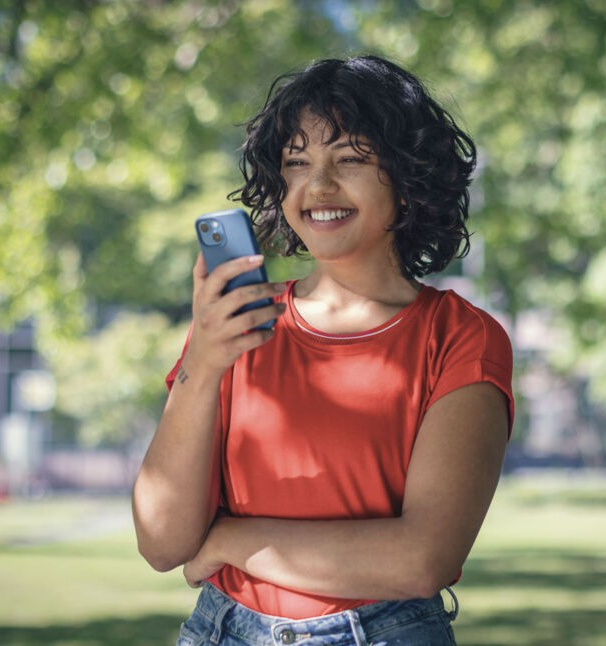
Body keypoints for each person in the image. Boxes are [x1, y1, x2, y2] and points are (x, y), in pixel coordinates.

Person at [132, 54, 514, 645]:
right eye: (297, 162)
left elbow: (421, 560)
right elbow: (162, 543)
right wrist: (202, 367)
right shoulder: (233, 328)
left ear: (408, 177)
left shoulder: (460, 338)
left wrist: (232, 540)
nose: (318, 185)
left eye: (351, 159)